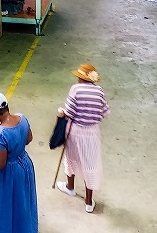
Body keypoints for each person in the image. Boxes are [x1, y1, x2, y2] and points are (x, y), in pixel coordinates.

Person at [0, 92, 37, 233]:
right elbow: (29, 138)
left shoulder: (0, 134)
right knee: (22, 203)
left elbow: (0, 164)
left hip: (9, 174)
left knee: (5, 206)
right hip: (24, 165)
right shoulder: (22, 118)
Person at [56, 63, 109, 213]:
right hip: (92, 133)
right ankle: (88, 202)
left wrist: (60, 112)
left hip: (75, 131)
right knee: (90, 165)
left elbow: (68, 113)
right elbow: (103, 112)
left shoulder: (76, 89)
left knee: (71, 158)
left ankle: (70, 187)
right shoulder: (100, 91)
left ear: (81, 78)